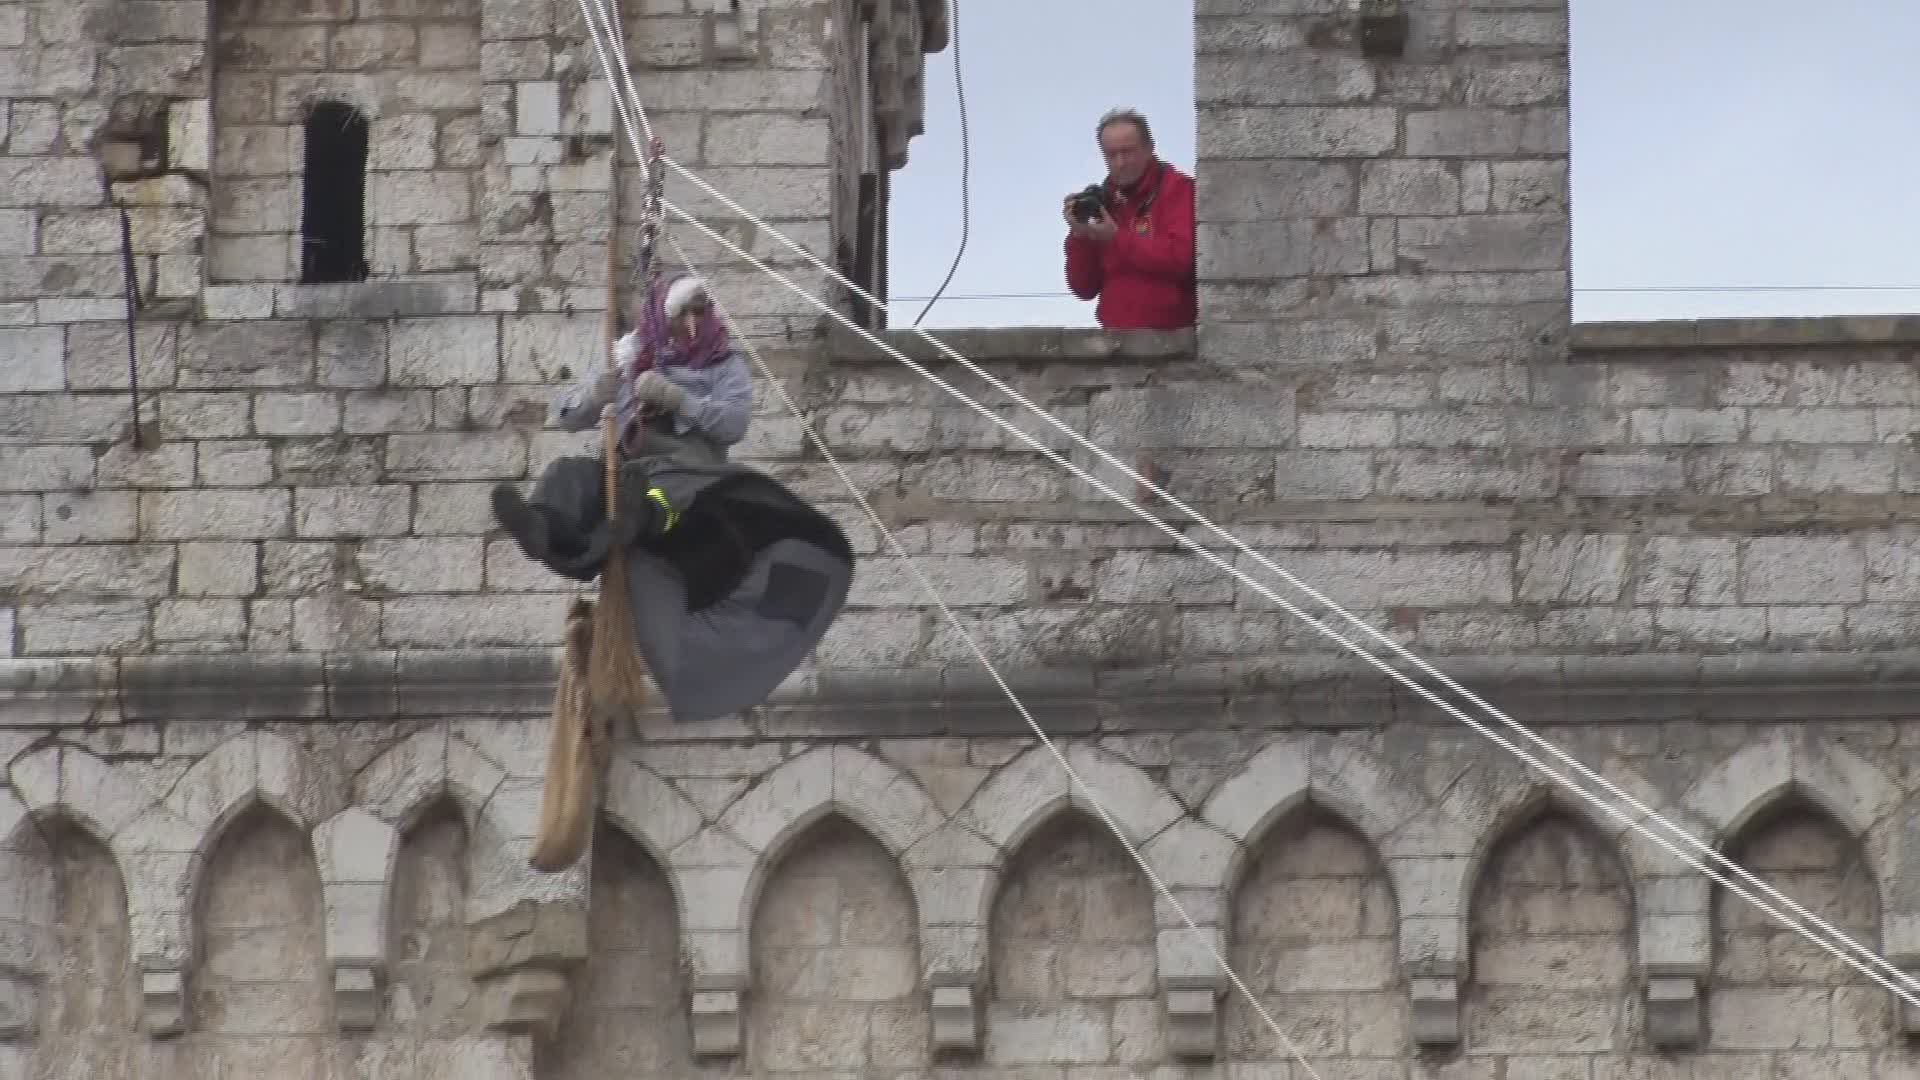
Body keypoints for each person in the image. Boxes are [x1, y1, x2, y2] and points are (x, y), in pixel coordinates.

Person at [490, 272, 855, 725]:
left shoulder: (724, 366)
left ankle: (627, 522)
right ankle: (545, 530)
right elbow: (568, 416)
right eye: (686, 311)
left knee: (654, 496)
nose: (695, 320)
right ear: (665, 317)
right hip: (622, 466)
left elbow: (733, 424)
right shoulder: (628, 355)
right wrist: (598, 391)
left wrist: (681, 400)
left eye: (701, 310)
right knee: (570, 475)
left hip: (687, 475)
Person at [1062, 108, 1197, 331]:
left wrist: (1116, 238)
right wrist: (1080, 236)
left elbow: (1180, 259)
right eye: (1111, 154)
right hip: (1115, 342)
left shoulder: (1179, 190)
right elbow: (1084, 288)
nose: (1120, 162)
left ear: (1149, 148)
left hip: (1172, 341)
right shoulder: (1102, 203)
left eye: (1128, 152)